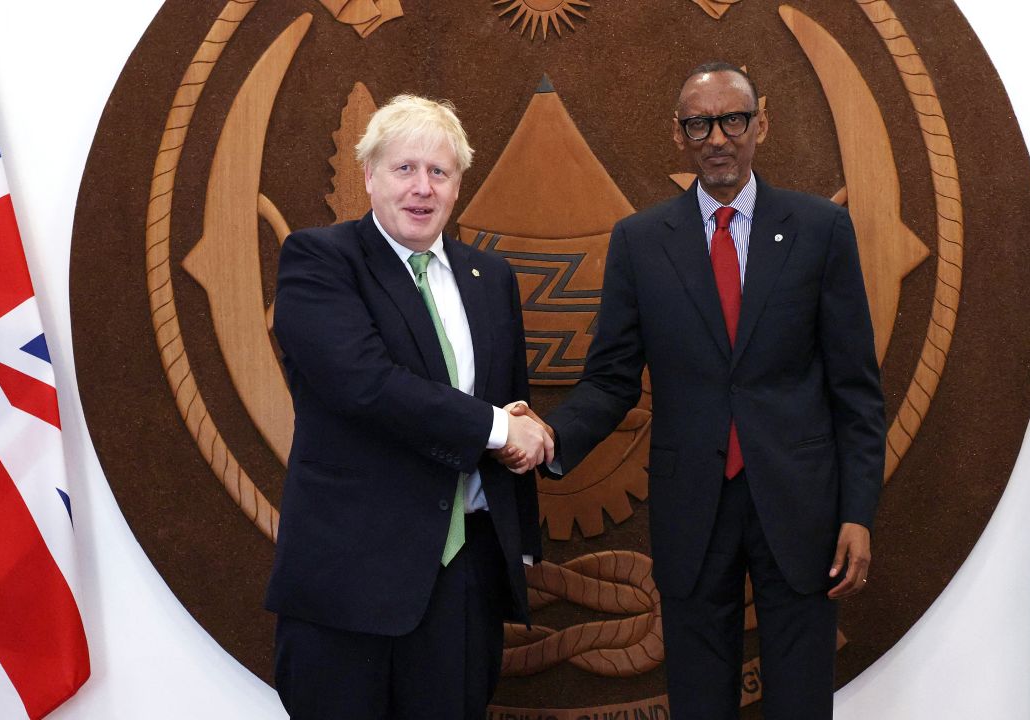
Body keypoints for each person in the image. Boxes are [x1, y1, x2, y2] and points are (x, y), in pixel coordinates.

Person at [503, 62, 885, 718]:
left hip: (800, 508)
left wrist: (857, 512)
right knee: (698, 701)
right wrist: (550, 436)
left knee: (800, 699)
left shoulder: (820, 230)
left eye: (732, 119)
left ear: (760, 124)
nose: (717, 137)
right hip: (691, 508)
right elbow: (612, 379)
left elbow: (855, 388)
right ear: (678, 134)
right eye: (699, 123)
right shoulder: (641, 242)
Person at [265, 94, 552, 719]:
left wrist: (516, 530)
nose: (422, 188)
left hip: (462, 581)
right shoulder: (320, 261)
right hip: (350, 582)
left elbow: (512, 401)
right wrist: (501, 427)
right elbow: (364, 384)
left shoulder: (490, 277)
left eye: (439, 172)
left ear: (456, 187)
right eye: (404, 169)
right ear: (369, 176)